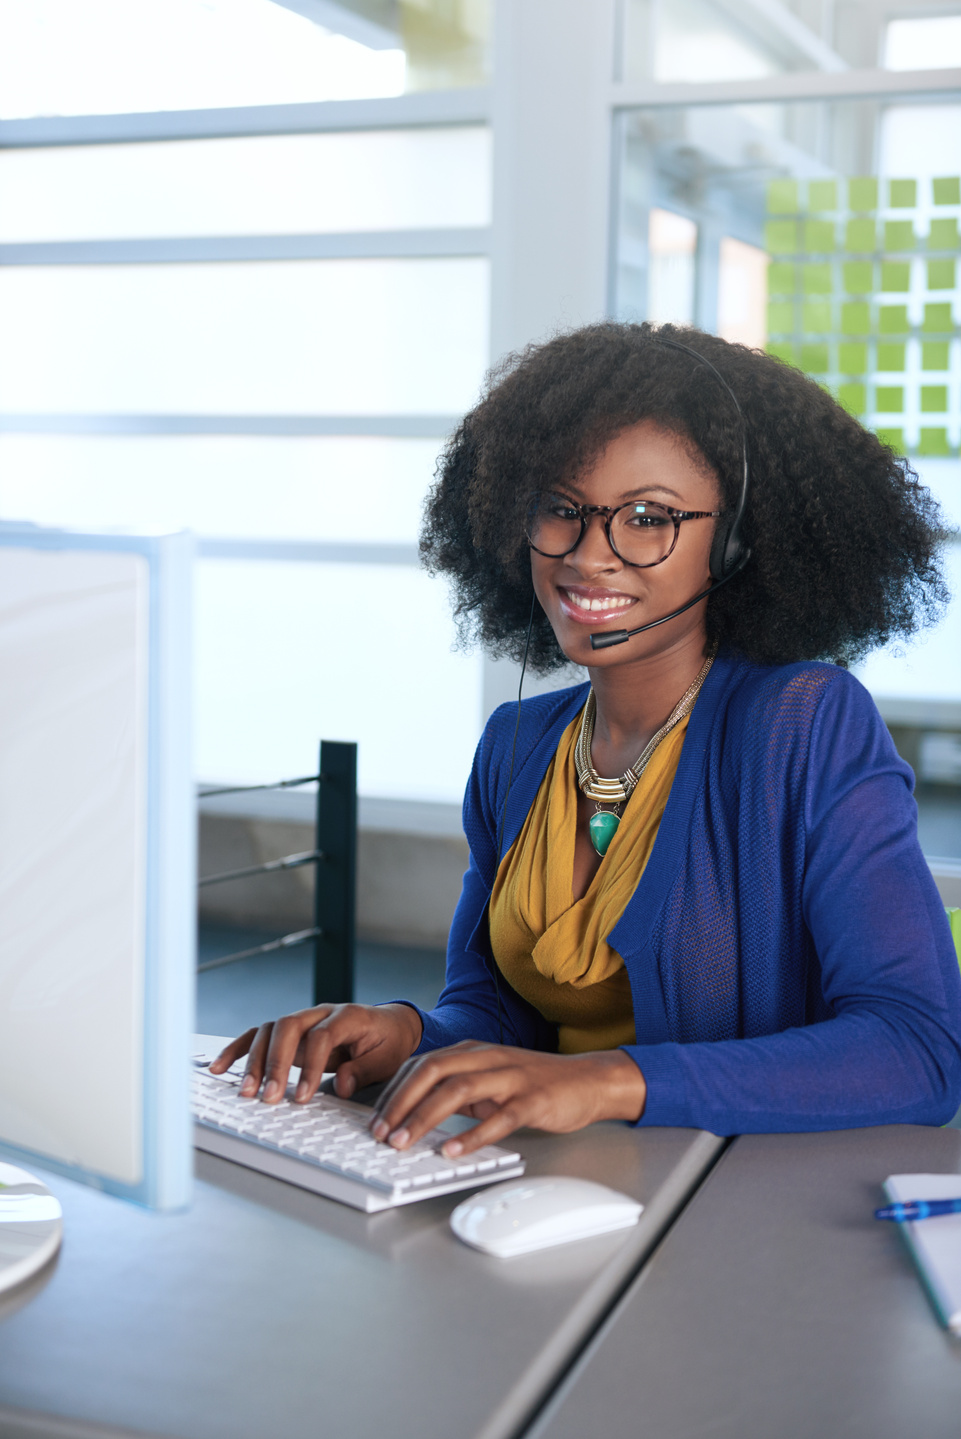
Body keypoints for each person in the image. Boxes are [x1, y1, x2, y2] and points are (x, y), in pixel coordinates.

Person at [212, 321, 961, 1158]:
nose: (588, 555)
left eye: (648, 517)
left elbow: (917, 1047)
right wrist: (404, 1032)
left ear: (740, 541)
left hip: (735, 1200)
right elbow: (498, 1015)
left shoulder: (803, 722)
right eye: (562, 509)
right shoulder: (517, 745)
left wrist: (606, 1081)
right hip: (549, 1182)